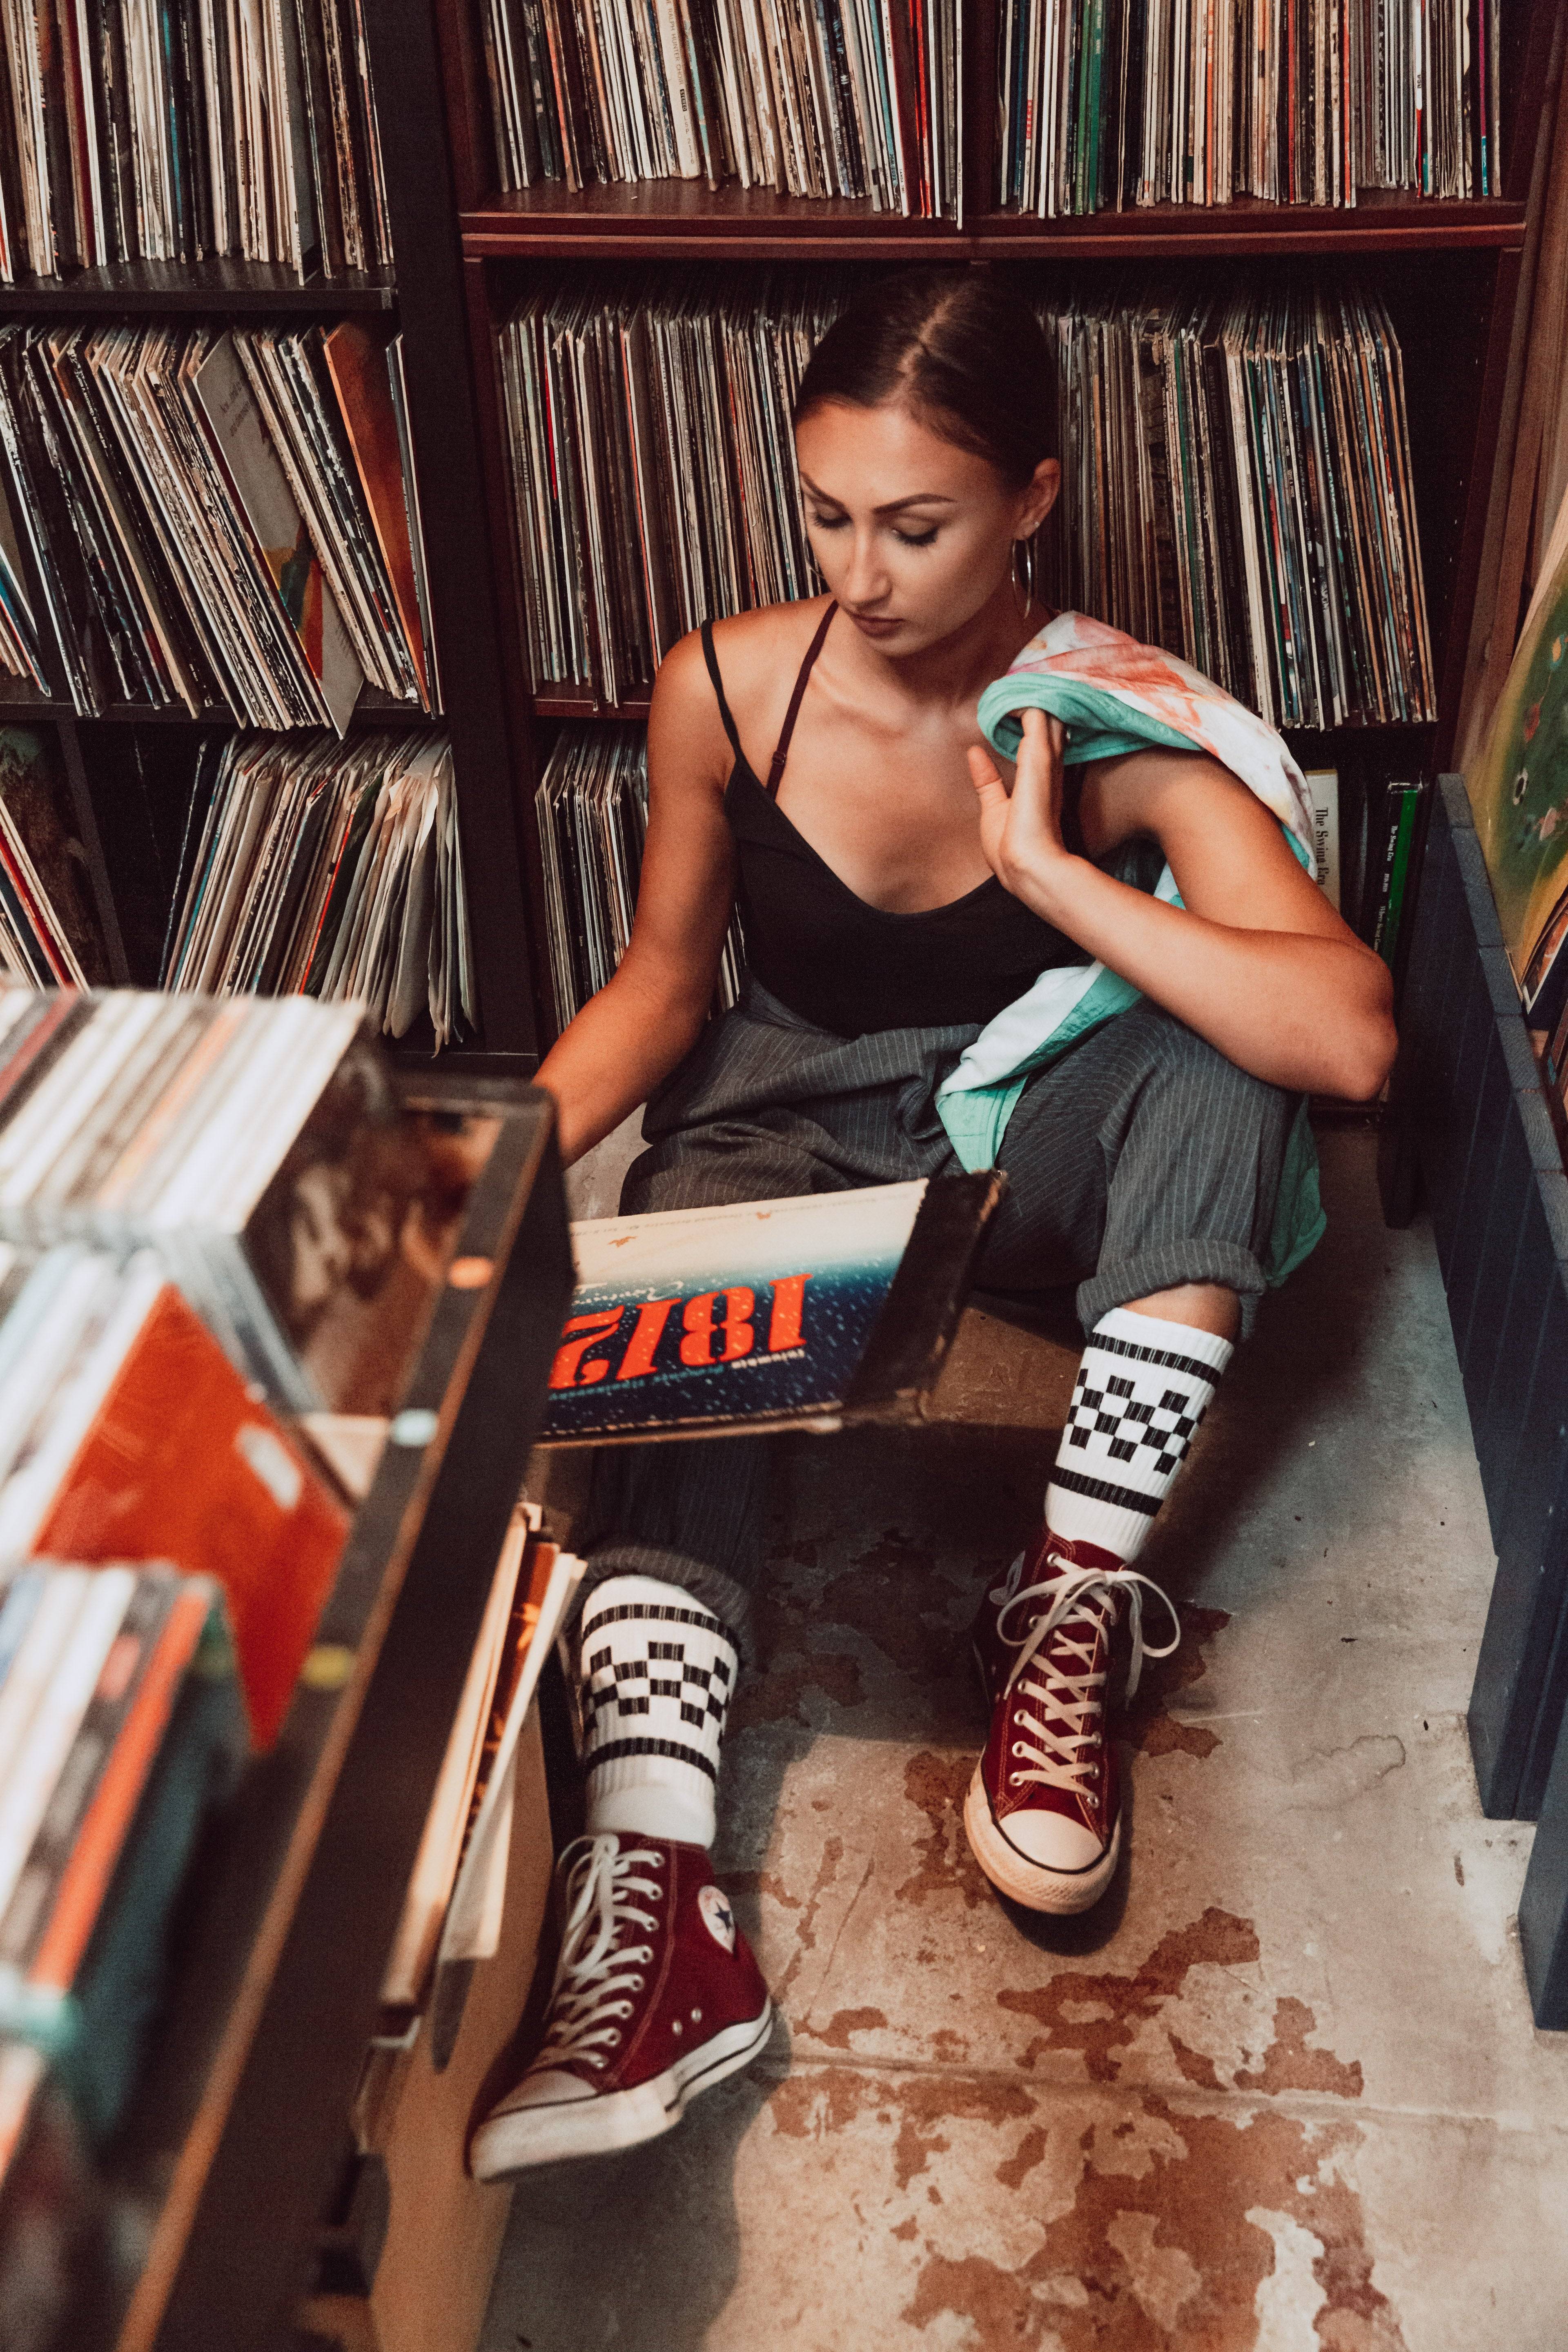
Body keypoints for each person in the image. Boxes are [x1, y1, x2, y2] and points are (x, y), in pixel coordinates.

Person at [468, 270, 1396, 2181]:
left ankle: (1065, 1616)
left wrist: (1053, 872)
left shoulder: (1111, 715)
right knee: (686, 1244)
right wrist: (487, 1179)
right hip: (789, 1118)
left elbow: (1351, 1038)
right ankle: (657, 1900)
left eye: (917, 526)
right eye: (827, 517)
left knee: (1225, 1057)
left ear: (1031, 498)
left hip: (1016, 1147)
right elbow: (664, 985)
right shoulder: (725, 686)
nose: (862, 574)